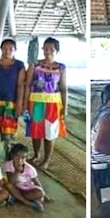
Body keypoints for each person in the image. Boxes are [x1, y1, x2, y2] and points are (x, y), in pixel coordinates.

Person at [25, 37, 68, 170]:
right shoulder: (35, 65)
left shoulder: (61, 67)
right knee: (36, 130)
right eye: (46, 48)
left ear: (56, 51)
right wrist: (26, 104)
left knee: (50, 132)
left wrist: (64, 108)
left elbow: (63, 88)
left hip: (53, 104)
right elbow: (27, 85)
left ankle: (46, 160)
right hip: (36, 101)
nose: (48, 51)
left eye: (51, 49)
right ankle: (36, 155)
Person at [0, 39, 25, 147]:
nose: (7, 51)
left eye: (10, 49)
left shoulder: (19, 65)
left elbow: (20, 85)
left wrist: (19, 104)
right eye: (5, 48)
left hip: (10, 103)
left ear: (15, 50)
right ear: (1, 49)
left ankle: (8, 158)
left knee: (8, 134)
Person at [5, 143, 49, 212]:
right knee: (8, 186)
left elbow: (36, 182)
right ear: (12, 156)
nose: (20, 160)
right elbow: (11, 182)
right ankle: (28, 203)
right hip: (16, 188)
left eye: (23, 158)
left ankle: (18, 198)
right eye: (17, 156)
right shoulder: (8, 165)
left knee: (40, 193)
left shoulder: (30, 169)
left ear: (26, 158)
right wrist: (17, 171)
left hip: (28, 190)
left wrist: (45, 195)